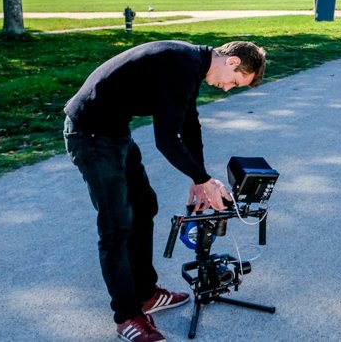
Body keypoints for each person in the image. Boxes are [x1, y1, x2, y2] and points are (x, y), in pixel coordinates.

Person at [64, 40, 267, 342]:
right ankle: (127, 317)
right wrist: (202, 179)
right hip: (90, 135)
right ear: (233, 62)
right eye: (234, 82)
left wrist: (200, 178)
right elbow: (166, 140)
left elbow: (189, 124)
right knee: (116, 228)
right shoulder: (183, 63)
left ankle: (145, 294)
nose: (227, 88)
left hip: (113, 132)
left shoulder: (193, 64)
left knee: (145, 205)